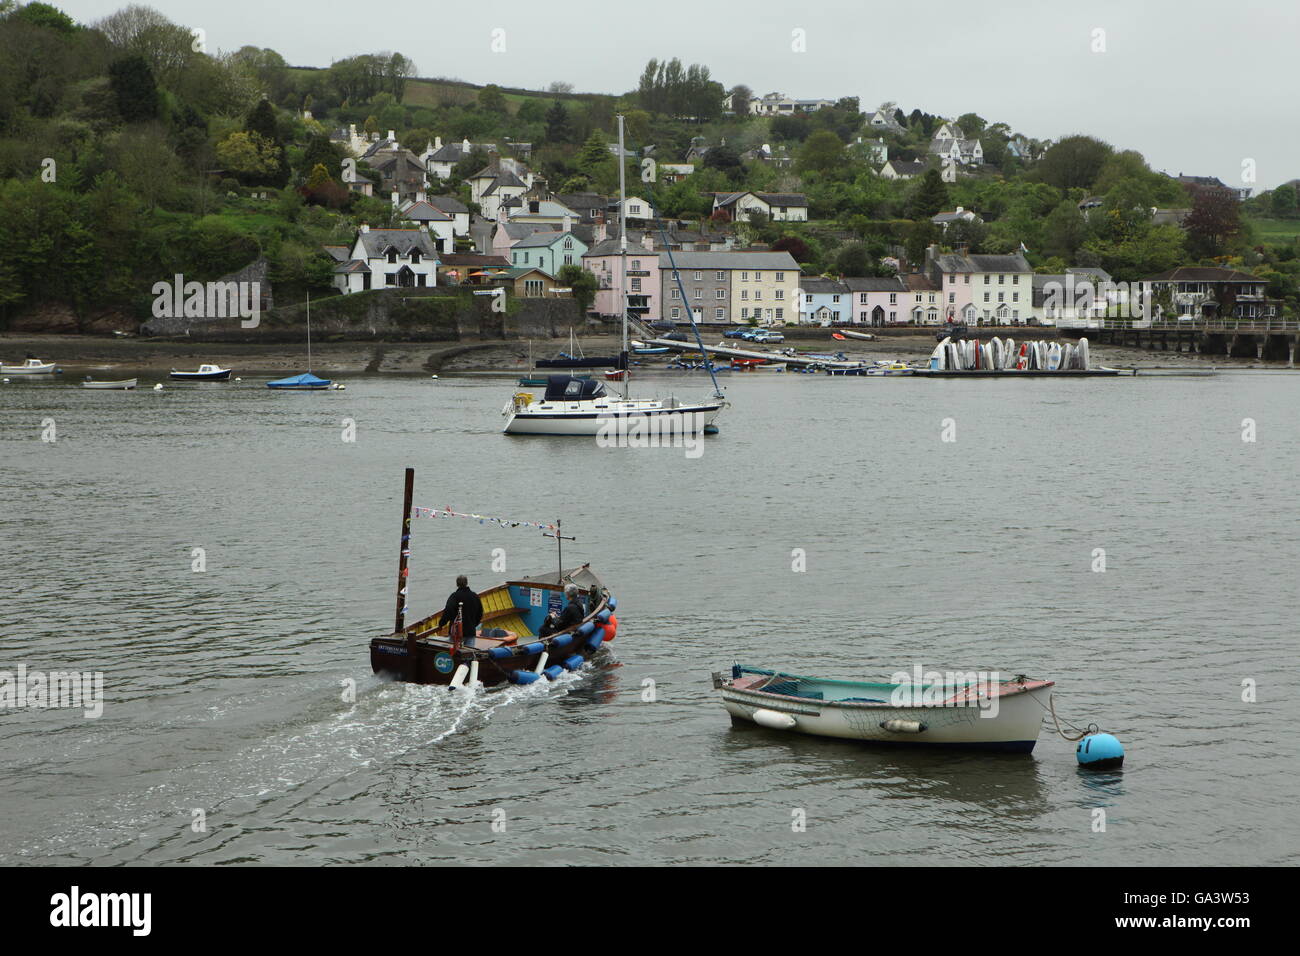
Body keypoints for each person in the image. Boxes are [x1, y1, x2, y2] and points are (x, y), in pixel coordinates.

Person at [439, 575, 483, 646]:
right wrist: (473, 624)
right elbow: (480, 613)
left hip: (456, 632)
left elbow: (448, 611)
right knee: (469, 653)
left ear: (457, 584)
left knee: (454, 653)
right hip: (470, 631)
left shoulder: (454, 596)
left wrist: (441, 623)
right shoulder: (475, 596)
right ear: (467, 583)